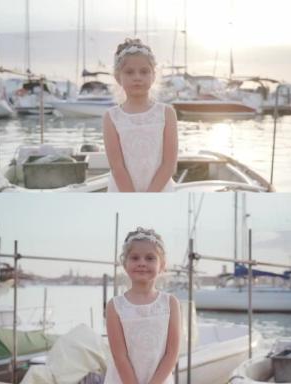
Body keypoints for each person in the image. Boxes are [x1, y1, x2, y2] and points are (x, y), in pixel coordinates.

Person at [104, 227, 181, 384]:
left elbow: (172, 352)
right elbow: (120, 355)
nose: (142, 263)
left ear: (162, 265)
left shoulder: (170, 303)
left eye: (150, 258)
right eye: (135, 258)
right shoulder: (115, 306)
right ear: (125, 264)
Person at [103, 38, 178, 192]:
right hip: (123, 194)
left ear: (153, 76)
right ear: (118, 77)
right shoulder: (111, 117)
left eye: (144, 71)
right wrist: (134, 201)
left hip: (160, 193)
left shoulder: (166, 114)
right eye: (129, 72)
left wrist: (148, 198)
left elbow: (169, 164)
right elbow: (117, 167)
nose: (137, 77)